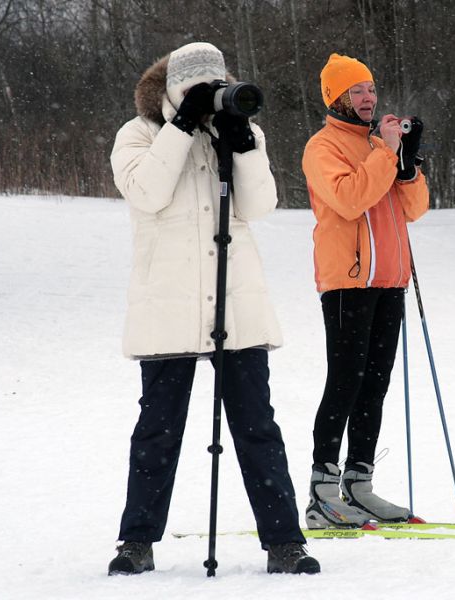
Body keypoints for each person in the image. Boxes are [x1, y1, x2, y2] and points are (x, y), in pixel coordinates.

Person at [107, 42, 318, 576]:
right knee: (157, 430)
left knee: (256, 427)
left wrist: (243, 144)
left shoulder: (235, 130)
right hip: (168, 304)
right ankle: (136, 541)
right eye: (197, 89)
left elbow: (260, 206)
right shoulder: (139, 134)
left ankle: (285, 543)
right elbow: (147, 193)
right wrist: (179, 128)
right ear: (175, 91)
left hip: (236, 300)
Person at [300, 53, 430, 528]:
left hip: (389, 280)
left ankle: (359, 485)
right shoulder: (323, 146)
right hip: (347, 281)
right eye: (357, 91)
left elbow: (413, 208)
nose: (369, 98)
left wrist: (407, 162)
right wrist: (385, 153)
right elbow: (351, 198)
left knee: (374, 384)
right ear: (336, 97)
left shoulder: (381, 145)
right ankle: (321, 494)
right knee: (345, 381)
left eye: (372, 89)